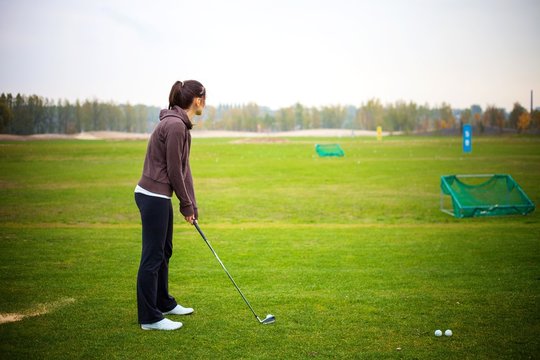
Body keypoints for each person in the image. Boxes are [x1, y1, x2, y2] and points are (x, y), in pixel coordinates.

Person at [134, 80, 205, 330]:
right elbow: (174, 170)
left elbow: (184, 169)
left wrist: (191, 204)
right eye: (204, 98)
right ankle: (149, 317)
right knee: (152, 257)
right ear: (198, 100)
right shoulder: (175, 126)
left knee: (164, 252)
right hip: (153, 195)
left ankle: (163, 302)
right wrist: (184, 204)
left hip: (160, 196)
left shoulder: (181, 127)